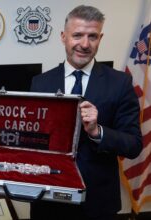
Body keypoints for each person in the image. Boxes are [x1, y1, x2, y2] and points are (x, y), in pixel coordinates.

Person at [29, 5, 142, 220]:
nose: (84, 44)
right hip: (48, 200)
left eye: (92, 36)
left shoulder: (120, 83)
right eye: (77, 35)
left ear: (100, 38)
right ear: (63, 37)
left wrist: (97, 131)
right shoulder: (40, 82)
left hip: (98, 203)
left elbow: (134, 145)